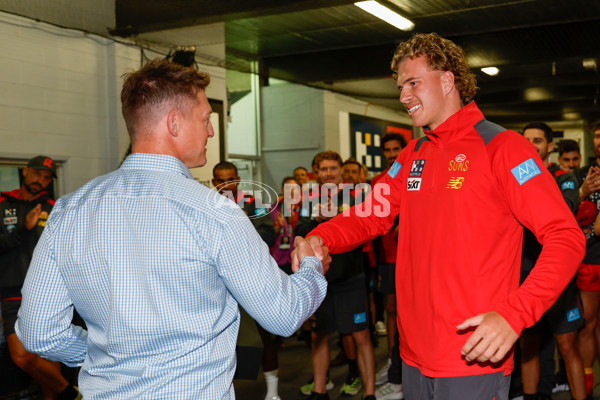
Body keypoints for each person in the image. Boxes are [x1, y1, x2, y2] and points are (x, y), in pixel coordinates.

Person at [15, 59, 329, 399]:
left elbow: (37, 333)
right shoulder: (215, 213)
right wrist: (313, 268)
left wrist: (99, 355)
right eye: (206, 118)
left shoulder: (69, 210)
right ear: (174, 123)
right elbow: (283, 316)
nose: (211, 131)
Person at [293, 33, 585, 400]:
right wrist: (323, 237)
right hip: (413, 354)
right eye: (401, 86)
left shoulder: (504, 147)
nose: (403, 96)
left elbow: (565, 237)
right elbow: (371, 213)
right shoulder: (412, 155)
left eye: (413, 82)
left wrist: (516, 313)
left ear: (448, 80)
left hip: (472, 355)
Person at [296, 151, 376, 400]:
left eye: (333, 168)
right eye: (324, 169)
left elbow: (368, 229)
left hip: (352, 276)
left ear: (341, 170)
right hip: (321, 281)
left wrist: (339, 217)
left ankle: (370, 394)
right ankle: (320, 391)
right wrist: (316, 221)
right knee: (319, 336)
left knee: (361, 336)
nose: (329, 173)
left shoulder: (357, 197)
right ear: (316, 173)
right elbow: (298, 231)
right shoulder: (310, 199)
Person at [0, 155, 80, 400]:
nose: (41, 181)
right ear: (24, 172)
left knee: (49, 359)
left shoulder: (56, 208)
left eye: (46, 177)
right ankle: (72, 394)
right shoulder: (3, 203)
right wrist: (24, 229)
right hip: (11, 291)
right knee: (22, 356)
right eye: (37, 174)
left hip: (47, 292)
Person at [520, 122, 586, 400]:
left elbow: (565, 209)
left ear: (549, 146)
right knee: (529, 345)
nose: (532, 145)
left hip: (558, 275)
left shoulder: (563, 178)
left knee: (567, 345)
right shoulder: (514, 176)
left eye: (538, 140)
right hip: (524, 272)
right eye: (527, 141)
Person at [371, 133, 407, 400]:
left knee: (408, 314)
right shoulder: (378, 180)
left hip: (411, 257)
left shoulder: (417, 173)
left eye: (396, 149)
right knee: (391, 312)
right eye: (388, 150)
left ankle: (402, 371)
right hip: (387, 257)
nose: (392, 154)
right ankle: (394, 363)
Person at [574, 121, 600, 397]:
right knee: (588, 325)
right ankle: (589, 388)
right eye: (596, 135)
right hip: (590, 259)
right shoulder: (582, 175)